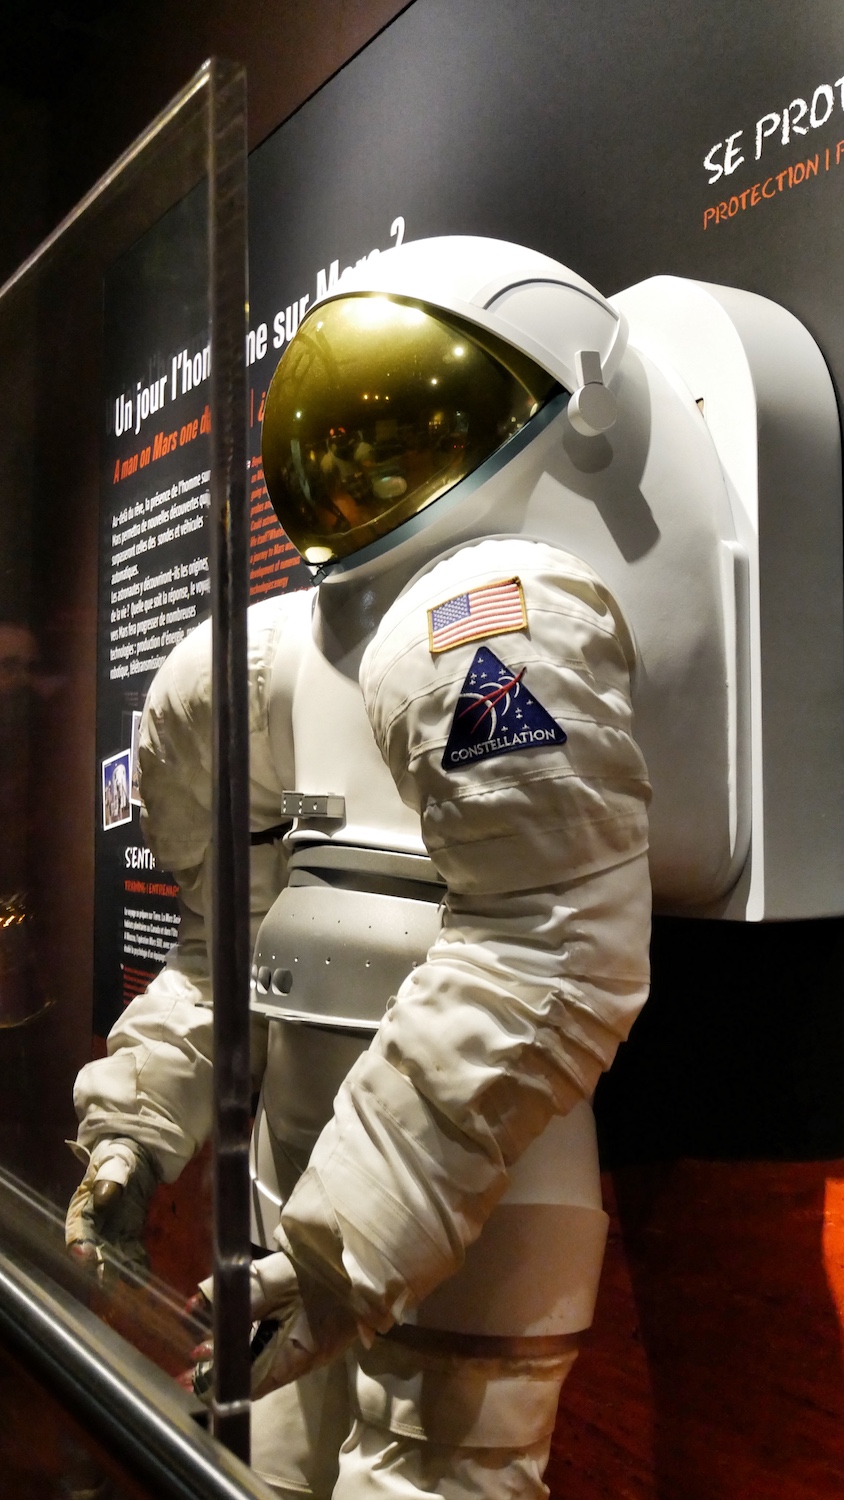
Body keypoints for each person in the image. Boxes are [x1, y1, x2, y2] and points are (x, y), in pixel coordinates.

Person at [67, 236, 653, 1499]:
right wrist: (133, 1127)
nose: (359, 467)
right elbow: (227, 945)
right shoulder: (263, 659)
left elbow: (544, 954)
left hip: (481, 1181)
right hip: (302, 1189)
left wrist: (345, 1247)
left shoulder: (502, 623)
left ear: (572, 405)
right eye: (335, 437)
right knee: (266, 1479)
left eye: (404, 432)